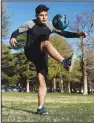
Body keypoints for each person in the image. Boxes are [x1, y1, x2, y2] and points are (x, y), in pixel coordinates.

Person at [10, 4, 86, 115]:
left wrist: (77, 34)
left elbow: (64, 33)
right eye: (41, 15)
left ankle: (41, 108)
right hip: (31, 51)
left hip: (42, 55)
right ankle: (65, 62)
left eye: (46, 15)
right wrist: (13, 37)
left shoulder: (50, 25)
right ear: (37, 15)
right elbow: (17, 31)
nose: (44, 17)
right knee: (46, 43)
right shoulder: (30, 24)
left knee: (42, 80)